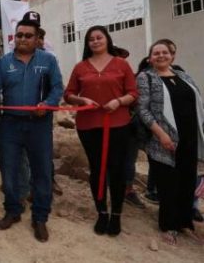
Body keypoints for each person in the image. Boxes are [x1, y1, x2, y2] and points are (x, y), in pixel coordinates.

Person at [0, 18, 63, 243]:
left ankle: (40, 217)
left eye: (28, 36)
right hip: (10, 124)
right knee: (9, 170)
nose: (22, 39)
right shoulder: (3, 63)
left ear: (37, 39)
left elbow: (57, 87)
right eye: (19, 35)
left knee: (41, 172)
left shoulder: (48, 60)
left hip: (39, 125)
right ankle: (13, 210)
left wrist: (47, 104)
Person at [63, 26, 138, 236]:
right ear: (87, 44)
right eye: (91, 39)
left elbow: (133, 93)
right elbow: (68, 94)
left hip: (118, 124)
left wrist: (118, 101)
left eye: (99, 37)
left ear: (107, 40)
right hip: (88, 125)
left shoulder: (121, 64)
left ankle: (116, 215)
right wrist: (82, 99)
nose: (95, 41)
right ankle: (101, 212)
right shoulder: (80, 67)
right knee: (97, 169)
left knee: (116, 169)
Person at [136, 40, 204, 246]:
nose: (161, 56)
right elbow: (143, 109)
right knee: (168, 184)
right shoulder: (145, 77)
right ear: (150, 58)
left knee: (186, 181)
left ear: (172, 56)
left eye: (165, 52)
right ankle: (168, 226)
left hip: (189, 137)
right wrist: (161, 134)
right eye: (156, 53)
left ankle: (184, 222)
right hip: (162, 141)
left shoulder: (183, 75)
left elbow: (198, 103)